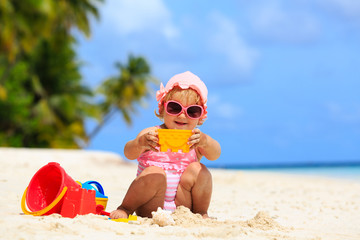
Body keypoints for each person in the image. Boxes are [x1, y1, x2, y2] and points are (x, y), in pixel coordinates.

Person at [110, 71, 221, 219]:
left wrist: (205, 142)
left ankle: (201, 212)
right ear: (162, 108)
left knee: (199, 170)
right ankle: (125, 208)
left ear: (200, 117)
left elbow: (215, 154)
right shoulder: (151, 134)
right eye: (174, 108)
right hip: (151, 204)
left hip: (183, 206)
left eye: (192, 111)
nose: (182, 115)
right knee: (155, 173)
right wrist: (140, 143)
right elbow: (128, 153)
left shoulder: (196, 139)